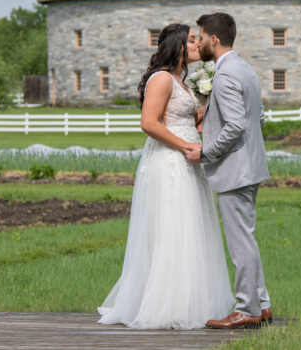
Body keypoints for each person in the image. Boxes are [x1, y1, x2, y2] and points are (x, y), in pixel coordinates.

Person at [97, 23, 235, 329]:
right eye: (191, 40)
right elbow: (149, 122)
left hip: (188, 160)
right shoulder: (161, 79)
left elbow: (187, 117)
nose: (198, 44)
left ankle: (188, 300)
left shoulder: (181, 81)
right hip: (169, 162)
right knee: (173, 227)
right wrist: (186, 144)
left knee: (189, 228)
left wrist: (211, 105)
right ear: (178, 46)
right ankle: (166, 304)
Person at [185, 13, 272, 329]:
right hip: (252, 165)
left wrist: (206, 151)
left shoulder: (223, 75)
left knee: (240, 243)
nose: (199, 41)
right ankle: (261, 304)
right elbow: (257, 118)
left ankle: (246, 309)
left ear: (214, 39)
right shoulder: (245, 69)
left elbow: (236, 125)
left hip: (235, 168)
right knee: (246, 238)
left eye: (201, 36)